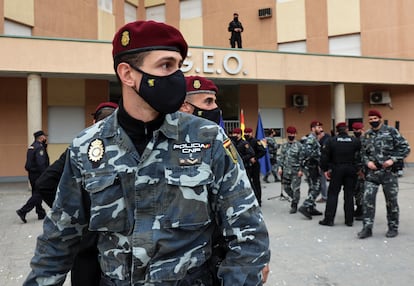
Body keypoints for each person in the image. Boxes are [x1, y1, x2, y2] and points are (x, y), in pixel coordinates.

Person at [24, 20, 270, 285]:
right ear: (127, 74)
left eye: (179, 66)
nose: (177, 77)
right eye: (166, 65)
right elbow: (58, 240)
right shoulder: (87, 146)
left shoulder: (208, 139)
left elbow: (249, 233)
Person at [181, 75, 270, 284]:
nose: (216, 108)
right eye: (208, 102)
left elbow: (244, 212)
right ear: (185, 107)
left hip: (210, 264)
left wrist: (254, 260)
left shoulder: (219, 144)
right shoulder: (161, 145)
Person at [34, 101, 118, 286]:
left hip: (87, 244)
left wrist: (74, 214)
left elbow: (45, 183)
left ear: (94, 121)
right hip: (115, 248)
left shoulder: (81, 146)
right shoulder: (122, 149)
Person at [358, 109, 410, 239]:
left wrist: (392, 159)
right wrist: (367, 162)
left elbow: (405, 148)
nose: (373, 121)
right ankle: (367, 228)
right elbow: (363, 153)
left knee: (391, 201)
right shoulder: (367, 135)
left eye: (375, 118)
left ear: (380, 118)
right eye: (370, 119)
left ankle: (393, 227)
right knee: (367, 200)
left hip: (389, 174)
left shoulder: (391, 131)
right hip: (372, 174)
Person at [319, 122, 361, 227]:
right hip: (351, 170)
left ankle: (329, 219)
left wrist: (325, 170)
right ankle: (349, 220)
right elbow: (360, 155)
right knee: (349, 195)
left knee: (333, 194)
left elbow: (324, 157)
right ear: (347, 130)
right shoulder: (355, 141)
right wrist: (358, 168)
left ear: (337, 131)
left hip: (336, 169)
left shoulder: (331, 141)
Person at [16, 130, 50, 223]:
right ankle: (23, 211)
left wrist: (44, 146)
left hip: (32, 174)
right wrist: (45, 175)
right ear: (41, 137)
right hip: (39, 174)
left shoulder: (32, 146)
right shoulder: (39, 148)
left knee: (36, 193)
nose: (46, 138)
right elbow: (41, 163)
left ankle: (40, 213)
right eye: (44, 136)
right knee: (39, 193)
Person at [297, 120, 324, 219]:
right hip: (311, 167)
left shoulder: (314, 139)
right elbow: (308, 153)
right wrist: (319, 156)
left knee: (312, 187)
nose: (321, 129)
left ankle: (311, 207)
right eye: (319, 128)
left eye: (321, 128)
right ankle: (305, 206)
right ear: (313, 129)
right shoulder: (311, 139)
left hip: (312, 166)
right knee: (316, 187)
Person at [277, 126, 303, 214]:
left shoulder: (299, 146)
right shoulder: (284, 146)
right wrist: (280, 168)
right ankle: (294, 199)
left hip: (296, 171)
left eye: (293, 134)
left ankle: (294, 205)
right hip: (286, 171)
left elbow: (302, 159)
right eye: (290, 134)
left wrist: (301, 170)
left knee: (296, 189)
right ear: (287, 134)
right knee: (286, 188)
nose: (291, 135)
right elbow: (281, 158)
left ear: (295, 134)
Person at [244, 127, 266, 206]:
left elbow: (263, 151)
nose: (246, 134)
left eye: (248, 133)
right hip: (247, 165)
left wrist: (255, 158)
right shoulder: (244, 142)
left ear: (251, 133)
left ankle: (258, 200)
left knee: (256, 183)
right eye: (245, 133)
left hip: (255, 165)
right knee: (248, 183)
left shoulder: (256, 141)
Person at [351, 121, 365, 220]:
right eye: (355, 130)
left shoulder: (365, 140)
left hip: (363, 169)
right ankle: (359, 208)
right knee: (356, 190)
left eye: (358, 130)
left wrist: (362, 170)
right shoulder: (353, 140)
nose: (356, 132)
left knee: (362, 190)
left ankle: (363, 210)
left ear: (362, 129)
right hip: (355, 169)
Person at [316, 130, 331, 203]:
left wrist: (321, 165)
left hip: (325, 164)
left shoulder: (323, 142)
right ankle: (327, 195)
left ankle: (325, 196)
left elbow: (322, 155)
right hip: (329, 164)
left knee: (323, 181)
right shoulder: (328, 139)